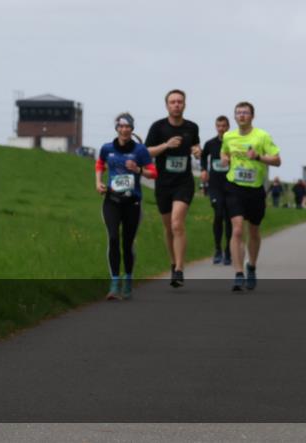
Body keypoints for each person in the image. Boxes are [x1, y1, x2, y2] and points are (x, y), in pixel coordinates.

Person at [95, 113, 157, 300]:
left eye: (127, 127)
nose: (124, 130)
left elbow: (153, 173)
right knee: (113, 238)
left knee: (127, 243)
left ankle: (128, 279)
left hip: (132, 203)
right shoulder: (107, 148)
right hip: (112, 201)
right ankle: (114, 284)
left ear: (132, 129)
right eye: (121, 127)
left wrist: (138, 169)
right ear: (116, 128)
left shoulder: (140, 150)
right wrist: (98, 182)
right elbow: (100, 164)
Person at [221, 101, 281, 291]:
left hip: (255, 189)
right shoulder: (228, 136)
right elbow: (224, 152)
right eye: (238, 112)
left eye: (245, 112)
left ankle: (252, 266)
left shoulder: (262, 136)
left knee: (254, 231)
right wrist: (224, 159)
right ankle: (239, 273)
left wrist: (258, 157)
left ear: (252, 116)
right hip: (234, 187)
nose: (242, 115)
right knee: (237, 229)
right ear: (235, 116)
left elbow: (277, 160)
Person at [146, 90, 201, 287]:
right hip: (163, 184)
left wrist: (197, 151)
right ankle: (173, 263)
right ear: (167, 105)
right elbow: (146, 152)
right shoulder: (158, 127)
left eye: (179, 101)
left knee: (177, 223)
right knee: (169, 227)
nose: (176, 105)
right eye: (172, 102)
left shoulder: (191, 127)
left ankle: (179, 268)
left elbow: (196, 148)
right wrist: (166, 145)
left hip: (184, 183)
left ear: (184, 104)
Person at [200, 116, 232, 265]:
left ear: (228, 127)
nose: (221, 129)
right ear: (216, 127)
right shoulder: (210, 143)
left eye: (224, 126)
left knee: (229, 218)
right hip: (215, 186)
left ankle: (228, 251)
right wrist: (203, 169)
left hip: (231, 185)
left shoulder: (233, 143)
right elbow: (203, 156)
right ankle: (218, 249)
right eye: (219, 126)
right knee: (218, 214)